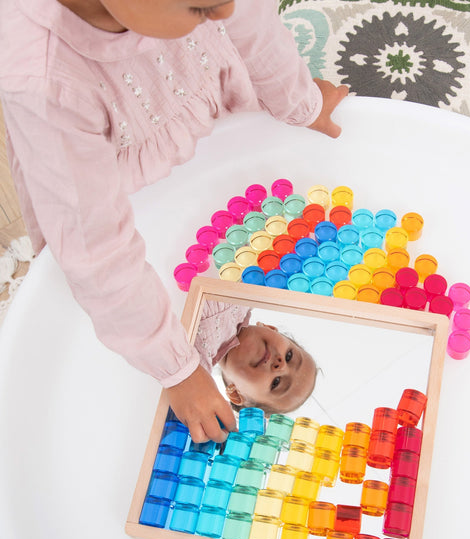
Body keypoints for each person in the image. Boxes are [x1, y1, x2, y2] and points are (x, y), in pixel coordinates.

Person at [0, 0, 347, 444]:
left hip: (194, 103)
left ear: (238, 395)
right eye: (291, 359)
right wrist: (179, 373)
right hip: (110, 178)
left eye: (279, 378)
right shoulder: (44, 82)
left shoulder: (242, 295)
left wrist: (300, 101)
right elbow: (95, 247)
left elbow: (253, 23)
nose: (279, 364)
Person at [194, 301, 316, 416]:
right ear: (270, 328)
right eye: (289, 356)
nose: (281, 365)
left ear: (235, 394)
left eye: (276, 382)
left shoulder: (191, 365)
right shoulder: (248, 294)